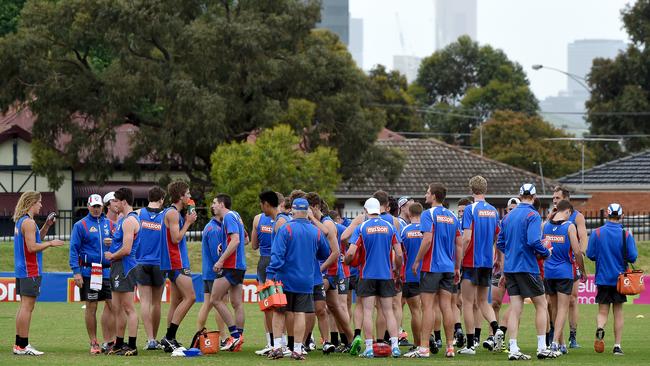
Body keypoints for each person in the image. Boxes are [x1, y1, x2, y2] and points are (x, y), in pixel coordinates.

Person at [266, 198, 332, 360]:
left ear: (293, 211)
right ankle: (297, 349)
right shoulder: (315, 231)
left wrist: (270, 275)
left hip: (284, 278)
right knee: (300, 313)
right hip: (306, 280)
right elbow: (325, 253)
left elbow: (277, 255)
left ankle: (277, 347)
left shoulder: (286, 229)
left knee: (279, 312)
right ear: (307, 212)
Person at [496, 183, 555, 360]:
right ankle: (542, 347)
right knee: (541, 305)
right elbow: (533, 241)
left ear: (520, 196)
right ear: (534, 197)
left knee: (515, 308)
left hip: (511, 268)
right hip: (527, 266)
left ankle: (513, 349)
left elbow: (500, 243)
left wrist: (512, 252)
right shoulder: (533, 215)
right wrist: (546, 253)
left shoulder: (508, 216)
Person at [345, 197, 404, 358]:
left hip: (367, 274)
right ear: (379, 209)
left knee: (368, 311)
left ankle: (369, 347)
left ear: (365, 210)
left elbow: (350, 252)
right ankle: (395, 346)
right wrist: (397, 269)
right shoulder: (390, 227)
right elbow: (399, 253)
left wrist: (347, 261)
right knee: (388, 311)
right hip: (386, 275)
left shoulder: (362, 227)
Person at [408, 183, 461, 358]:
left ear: (434, 196)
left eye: (427, 192)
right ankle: (450, 347)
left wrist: (416, 261)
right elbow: (459, 244)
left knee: (428, 307)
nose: (425, 195)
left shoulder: (427, 214)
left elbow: (427, 240)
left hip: (431, 267)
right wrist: (457, 267)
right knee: (447, 306)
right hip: (448, 267)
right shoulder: (452, 217)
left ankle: (424, 347)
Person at [13, 191, 63, 355]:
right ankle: (23, 346)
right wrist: (51, 243)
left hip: (22, 270)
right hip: (30, 270)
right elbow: (32, 247)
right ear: (32, 203)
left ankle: (19, 344)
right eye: (39, 202)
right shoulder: (28, 222)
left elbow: (35, 240)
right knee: (27, 307)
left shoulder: (23, 221)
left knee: (23, 307)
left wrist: (47, 226)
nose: (41, 205)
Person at [459, 176, 504, 354]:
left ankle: (470, 345)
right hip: (487, 261)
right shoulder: (493, 211)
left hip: (471, 262)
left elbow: (467, 237)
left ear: (471, 190)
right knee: (483, 301)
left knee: (468, 303)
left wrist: (460, 258)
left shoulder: (470, 209)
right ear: (485, 189)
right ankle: (497, 328)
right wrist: (499, 258)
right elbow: (498, 238)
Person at [587, 203, 638, 356]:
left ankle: (600, 328)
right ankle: (617, 346)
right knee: (618, 312)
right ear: (621, 215)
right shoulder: (626, 234)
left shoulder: (597, 233)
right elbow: (633, 257)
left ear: (607, 215)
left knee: (603, 311)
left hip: (602, 278)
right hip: (620, 280)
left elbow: (590, 254)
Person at [305, 192, 353, 353]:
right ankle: (350, 340)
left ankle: (303, 342)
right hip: (327, 272)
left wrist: (320, 269)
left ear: (316, 207)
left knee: (310, 305)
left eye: (308, 208)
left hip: (328, 272)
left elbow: (335, 252)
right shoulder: (317, 223)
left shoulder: (328, 224)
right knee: (334, 307)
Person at [69, 194, 115, 354]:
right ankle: (94, 342)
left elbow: (122, 243)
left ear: (103, 207)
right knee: (91, 306)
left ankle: (112, 341)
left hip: (108, 271)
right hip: (90, 271)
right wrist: (76, 272)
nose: (96, 209)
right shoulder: (80, 225)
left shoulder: (110, 224)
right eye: (93, 206)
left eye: (98, 206)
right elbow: (73, 249)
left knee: (113, 305)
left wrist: (114, 242)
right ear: (88, 207)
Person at [544, 199, 586, 356]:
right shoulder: (569, 226)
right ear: (568, 211)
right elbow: (576, 251)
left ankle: (561, 343)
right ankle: (555, 342)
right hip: (564, 272)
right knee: (563, 308)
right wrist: (582, 270)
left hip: (548, 271)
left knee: (554, 308)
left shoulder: (545, 225)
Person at [160, 181, 197, 352]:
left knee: (176, 301)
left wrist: (188, 219)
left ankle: (169, 339)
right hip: (176, 262)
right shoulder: (173, 213)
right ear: (181, 196)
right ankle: (169, 337)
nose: (190, 196)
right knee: (190, 297)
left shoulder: (175, 213)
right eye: (187, 193)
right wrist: (188, 223)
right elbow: (176, 239)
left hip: (175, 261)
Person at [104, 187, 141, 356]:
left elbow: (127, 249)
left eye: (116, 201)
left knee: (128, 308)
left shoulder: (128, 221)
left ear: (124, 202)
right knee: (117, 308)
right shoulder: (123, 219)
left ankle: (132, 346)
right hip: (119, 266)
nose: (114, 204)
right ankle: (119, 344)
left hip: (125, 267)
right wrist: (112, 243)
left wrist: (112, 254)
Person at [211, 194, 247, 352]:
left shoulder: (228, 218)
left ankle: (234, 336)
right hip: (239, 265)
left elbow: (237, 240)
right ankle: (238, 338)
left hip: (231, 266)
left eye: (214, 203)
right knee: (236, 303)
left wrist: (221, 260)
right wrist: (224, 245)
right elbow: (245, 239)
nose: (212, 206)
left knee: (215, 299)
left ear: (221, 204)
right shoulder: (236, 215)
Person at [135, 187, 167, 350]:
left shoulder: (138, 214)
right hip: (160, 263)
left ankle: (150, 339)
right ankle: (154, 338)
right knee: (156, 303)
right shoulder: (166, 214)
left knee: (145, 303)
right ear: (161, 199)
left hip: (141, 262)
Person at [252, 190, 281, 356]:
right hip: (279, 262)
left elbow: (254, 245)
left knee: (267, 306)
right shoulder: (284, 219)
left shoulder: (258, 219)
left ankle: (271, 342)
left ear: (266, 204)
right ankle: (283, 341)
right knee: (282, 303)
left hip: (265, 263)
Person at [196, 197, 226, 343]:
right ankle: (224, 337)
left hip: (208, 272)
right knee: (219, 304)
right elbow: (217, 254)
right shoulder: (214, 229)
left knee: (208, 303)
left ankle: (199, 333)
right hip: (215, 273)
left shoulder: (210, 226)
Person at [490, 197, 519, 343]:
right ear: (507, 210)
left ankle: (508, 337)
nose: (512, 212)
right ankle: (492, 336)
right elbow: (497, 242)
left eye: (515, 209)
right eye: (510, 209)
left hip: (518, 268)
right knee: (495, 303)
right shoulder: (502, 224)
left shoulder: (523, 224)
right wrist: (499, 260)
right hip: (500, 268)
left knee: (516, 304)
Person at [400, 202, 424, 356]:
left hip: (410, 275)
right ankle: (429, 340)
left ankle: (418, 344)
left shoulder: (405, 231)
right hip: (427, 274)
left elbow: (400, 254)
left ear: (409, 214)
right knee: (428, 309)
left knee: (415, 312)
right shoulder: (427, 230)